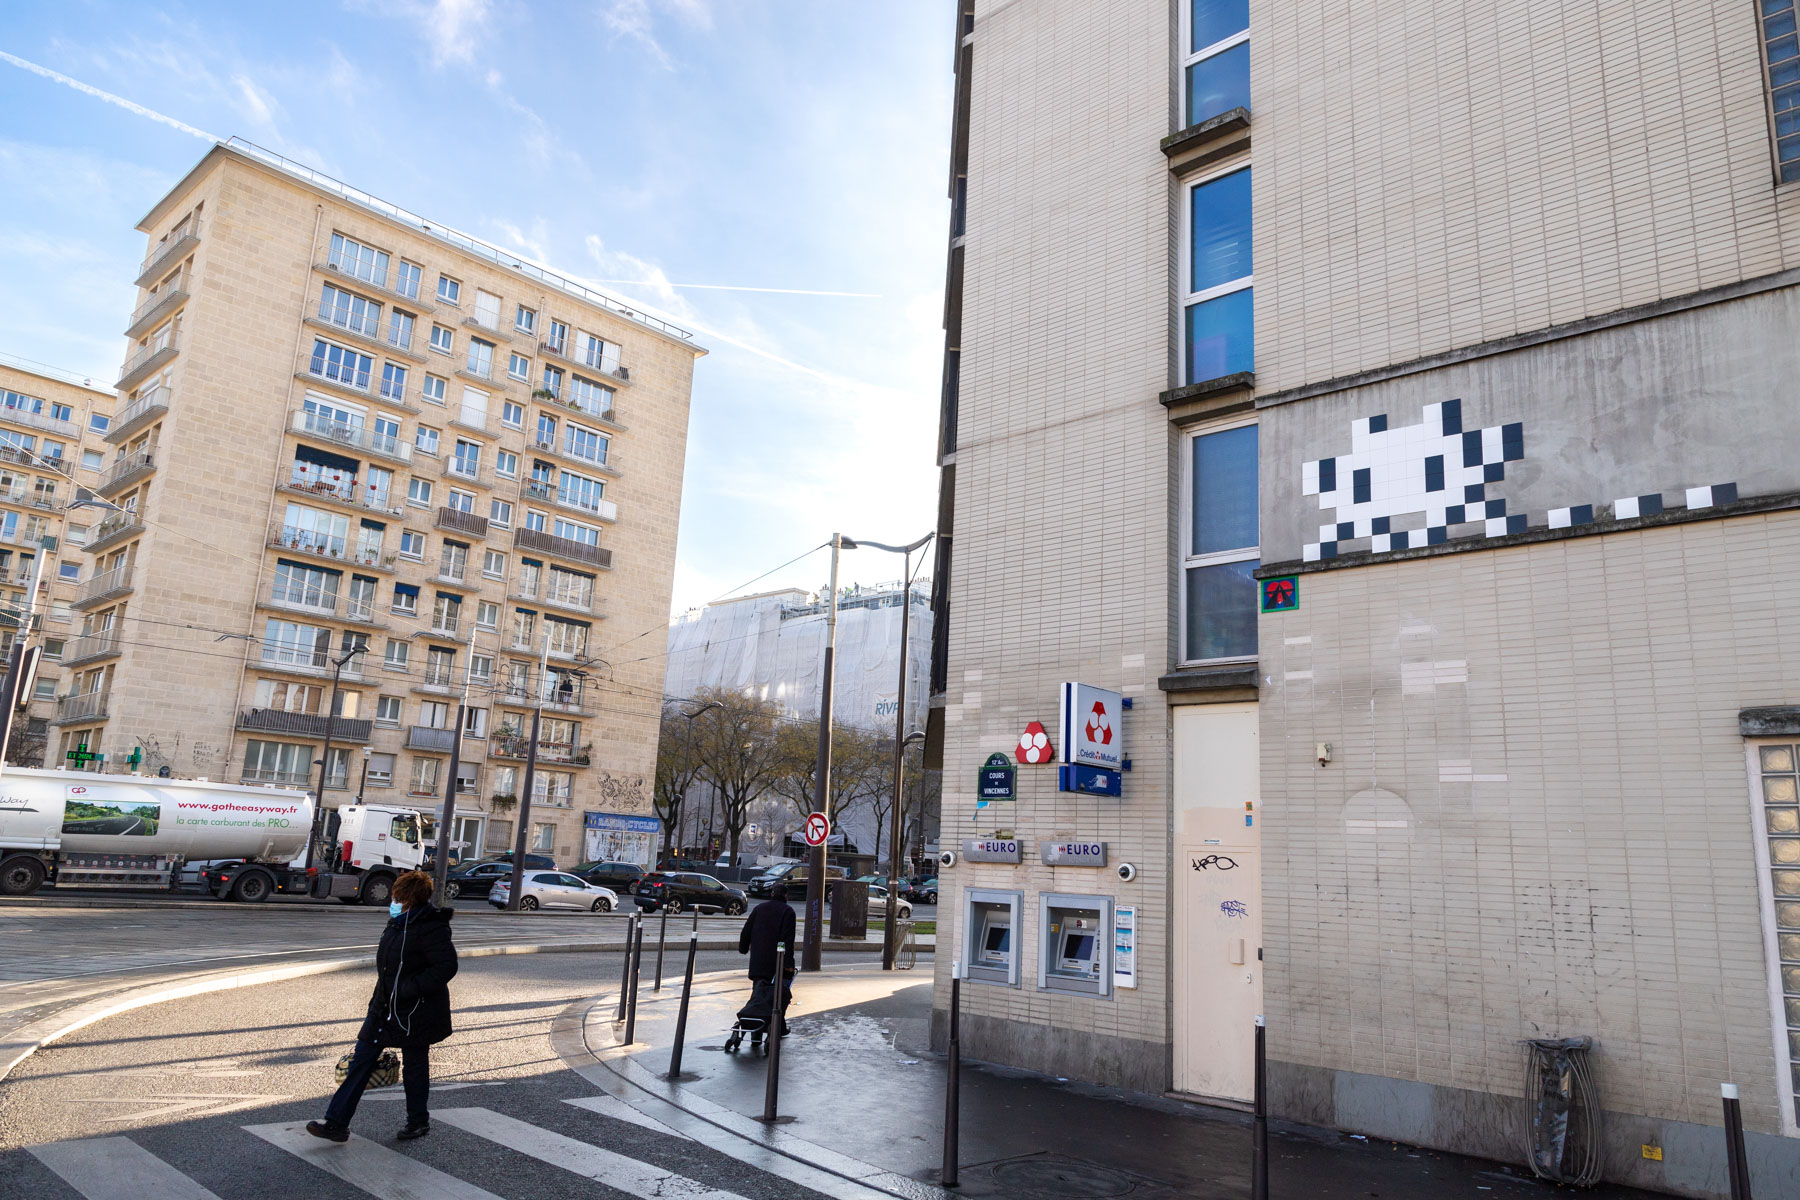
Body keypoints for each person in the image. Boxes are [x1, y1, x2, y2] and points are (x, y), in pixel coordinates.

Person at [308, 870, 458, 1143]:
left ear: (410, 899)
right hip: (383, 1006)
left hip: (416, 1011)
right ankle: (335, 1123)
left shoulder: (430, 927)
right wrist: (380, 999)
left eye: (399, 897)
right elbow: (388, 968)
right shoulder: (397, 923)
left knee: (414, 1066)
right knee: (361, 1060)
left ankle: (418, 1121)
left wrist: (408, 989)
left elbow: (446, 967)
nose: (394, 901)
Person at [737, 882, 797, 1044]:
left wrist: (743, 948)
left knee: (758, 994)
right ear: (786, 896)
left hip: (758, 960)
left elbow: (746, 931)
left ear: (771, 894)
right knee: (775, 997)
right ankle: (774, 1027)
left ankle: (756, 1032)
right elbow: (787, 940)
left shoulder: (759, 909)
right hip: (776, 963)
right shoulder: (788, 911)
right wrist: (788, 964)